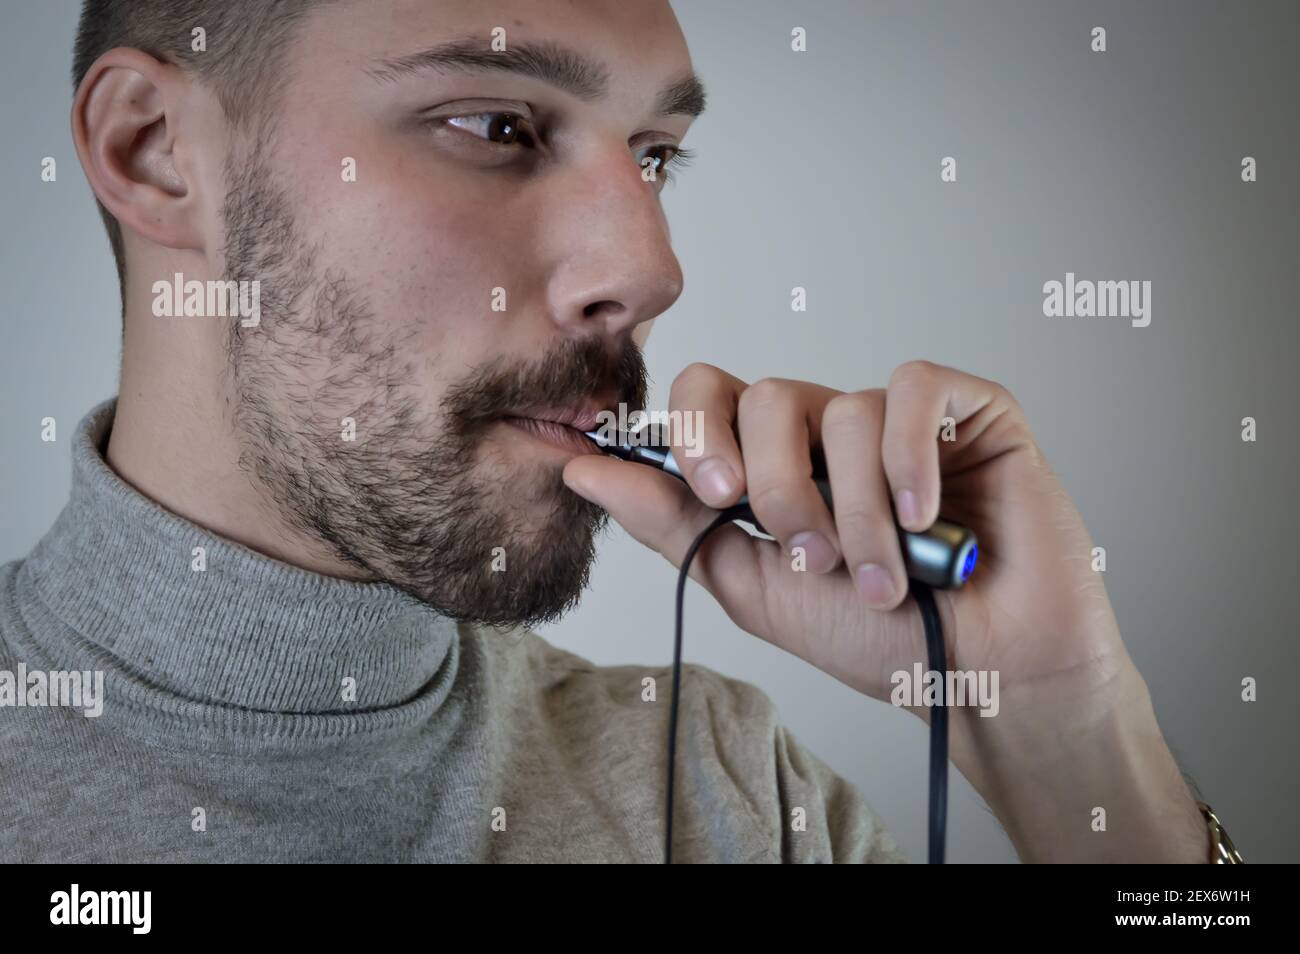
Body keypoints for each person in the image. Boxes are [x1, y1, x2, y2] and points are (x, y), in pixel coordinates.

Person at [0, 0, 1211, 862]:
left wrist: (1064, 741)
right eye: (498, 126)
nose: (649, 270)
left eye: (653, 157)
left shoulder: (729, 791)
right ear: (154, 153)